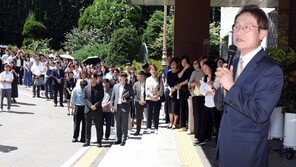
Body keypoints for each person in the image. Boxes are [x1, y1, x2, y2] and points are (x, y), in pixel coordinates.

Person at [215, 5, 284, 167]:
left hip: (247, 153)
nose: (239, 31)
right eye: (237, 26)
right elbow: (221, 105)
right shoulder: (234, 61)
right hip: (224, 146)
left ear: (262, 33)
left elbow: (260, 113)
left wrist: (231, 87)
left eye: (247, 27)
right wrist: (220, 87)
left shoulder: (270, 70)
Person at [111, 72, 134, 146]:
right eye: (119, 77)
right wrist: (112, 105)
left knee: (124, 124)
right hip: (117, 107)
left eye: (122, 77)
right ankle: (119, 139)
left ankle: (124, 139)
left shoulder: (129, 86)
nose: (120, 78)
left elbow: (132, 97)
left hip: (124, 106)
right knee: (118, 124)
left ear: (125, 78)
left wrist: (126, 101)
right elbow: (113, 97)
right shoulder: (115, 86)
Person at [83, 72, 104, 147]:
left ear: (96, 78)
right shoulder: (86, 88)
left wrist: (95, 105)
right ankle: (87, 141)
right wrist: (90, 105)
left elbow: (101, 98)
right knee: (87, 126)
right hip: (88, 109)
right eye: (91, 78)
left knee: (98, 126)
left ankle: (99, 141)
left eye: (93, 78)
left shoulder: (100, 87)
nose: (92, 80)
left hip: (97, 109)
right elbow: (84, 98)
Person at [188, 59, 205, 141]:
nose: (194, 65)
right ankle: (198, 134)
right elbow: (190, 84)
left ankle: (205, 134)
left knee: (204, 117)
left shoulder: (205, 71)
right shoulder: (195, 72)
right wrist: (195, 85)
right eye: (193, 63)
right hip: (197, 96)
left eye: (196, 63)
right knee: (197, 116)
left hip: (206, 96)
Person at [145, 65, 163, 134]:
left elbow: (161, 88)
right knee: (149, 113)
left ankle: (156, 127)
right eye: (151, 70)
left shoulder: (159, 79)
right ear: (149, 71)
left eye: (154, 69)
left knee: (156, 113)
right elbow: (146, 89)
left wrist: (157, 95)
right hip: (149, 98)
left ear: (156, 70)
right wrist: (151, 95)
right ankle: (148, 127)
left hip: (157, 98)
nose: (153, 71)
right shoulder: (147, 79)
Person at [166, 57, 181, 129]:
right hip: (170, 92)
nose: (173, 65)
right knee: (170, 108)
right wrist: (170, 90)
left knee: (175, 108)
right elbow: (168, 83)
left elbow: (178, 83)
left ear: (177, 65)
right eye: (171, 64)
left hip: (176, 92)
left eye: (174, 64)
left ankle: (175, 123)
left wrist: (173, 90)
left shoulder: (178, 72)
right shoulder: (169, 73)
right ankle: (170, 122)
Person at [133, 71, 146, 135]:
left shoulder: (147, 83)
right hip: (138, 102)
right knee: (138, 117)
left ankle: (153, 128)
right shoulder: (135, 84)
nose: (138, 78)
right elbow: (134, 94)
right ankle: (137, 130)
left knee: (151, 114)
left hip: (147, 101)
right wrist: (138, 101)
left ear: (143, 76)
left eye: (139, 76)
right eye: (137, 76)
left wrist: (145, 100)